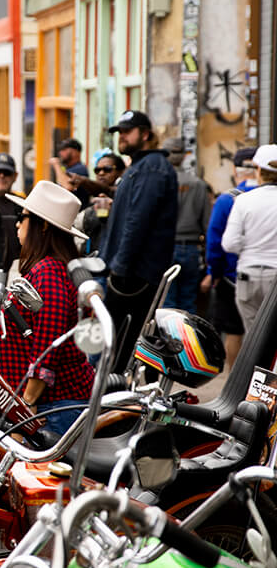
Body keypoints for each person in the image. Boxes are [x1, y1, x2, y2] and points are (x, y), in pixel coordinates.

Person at [0, 180, 94, 436]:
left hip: (54, 405)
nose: (18, 223)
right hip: (55, 402)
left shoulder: (48, 271)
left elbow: (48, 346)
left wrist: (27, 404)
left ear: (43, 225)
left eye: (23, 217)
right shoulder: (50, 268)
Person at [99, 109, 178, 372]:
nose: (121, 137)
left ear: (145, 134)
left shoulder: (152, 168)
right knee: (116, 347)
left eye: (127, 131)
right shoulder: (142, 166)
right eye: (119, 132)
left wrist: (119, 268)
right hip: (130, 270)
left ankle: (112, 404)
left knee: (117, 349)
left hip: (135, 275)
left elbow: (137, 221)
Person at [202, 147, 257, 368]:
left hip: (232, 276)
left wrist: (213, 273)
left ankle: (235, 385)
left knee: (234, 332)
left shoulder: (227, 200)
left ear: (235, 169)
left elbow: (215, 242)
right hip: (270, 276)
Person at [221, 143, 277, 331]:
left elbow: (229, 244)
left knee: (253, 338)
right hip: (275, 277)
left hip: (248, 276)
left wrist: (249, 245)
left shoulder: (244, 200)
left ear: (259, 170)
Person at [162, 137, 212, 312]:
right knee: (187, 302)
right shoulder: (198, 184)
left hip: (165, 247)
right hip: (191, 249)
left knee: (167, 303)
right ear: (184, 156)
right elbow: (208, 224)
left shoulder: (161, 181)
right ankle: (186, 338)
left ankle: (170, 339)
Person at [74, 152, 125, 253]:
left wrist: (83, 181)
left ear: (120, 172)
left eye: (107, 169)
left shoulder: (122, 194)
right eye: (97, 170)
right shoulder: (97, 196)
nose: (101, 173)